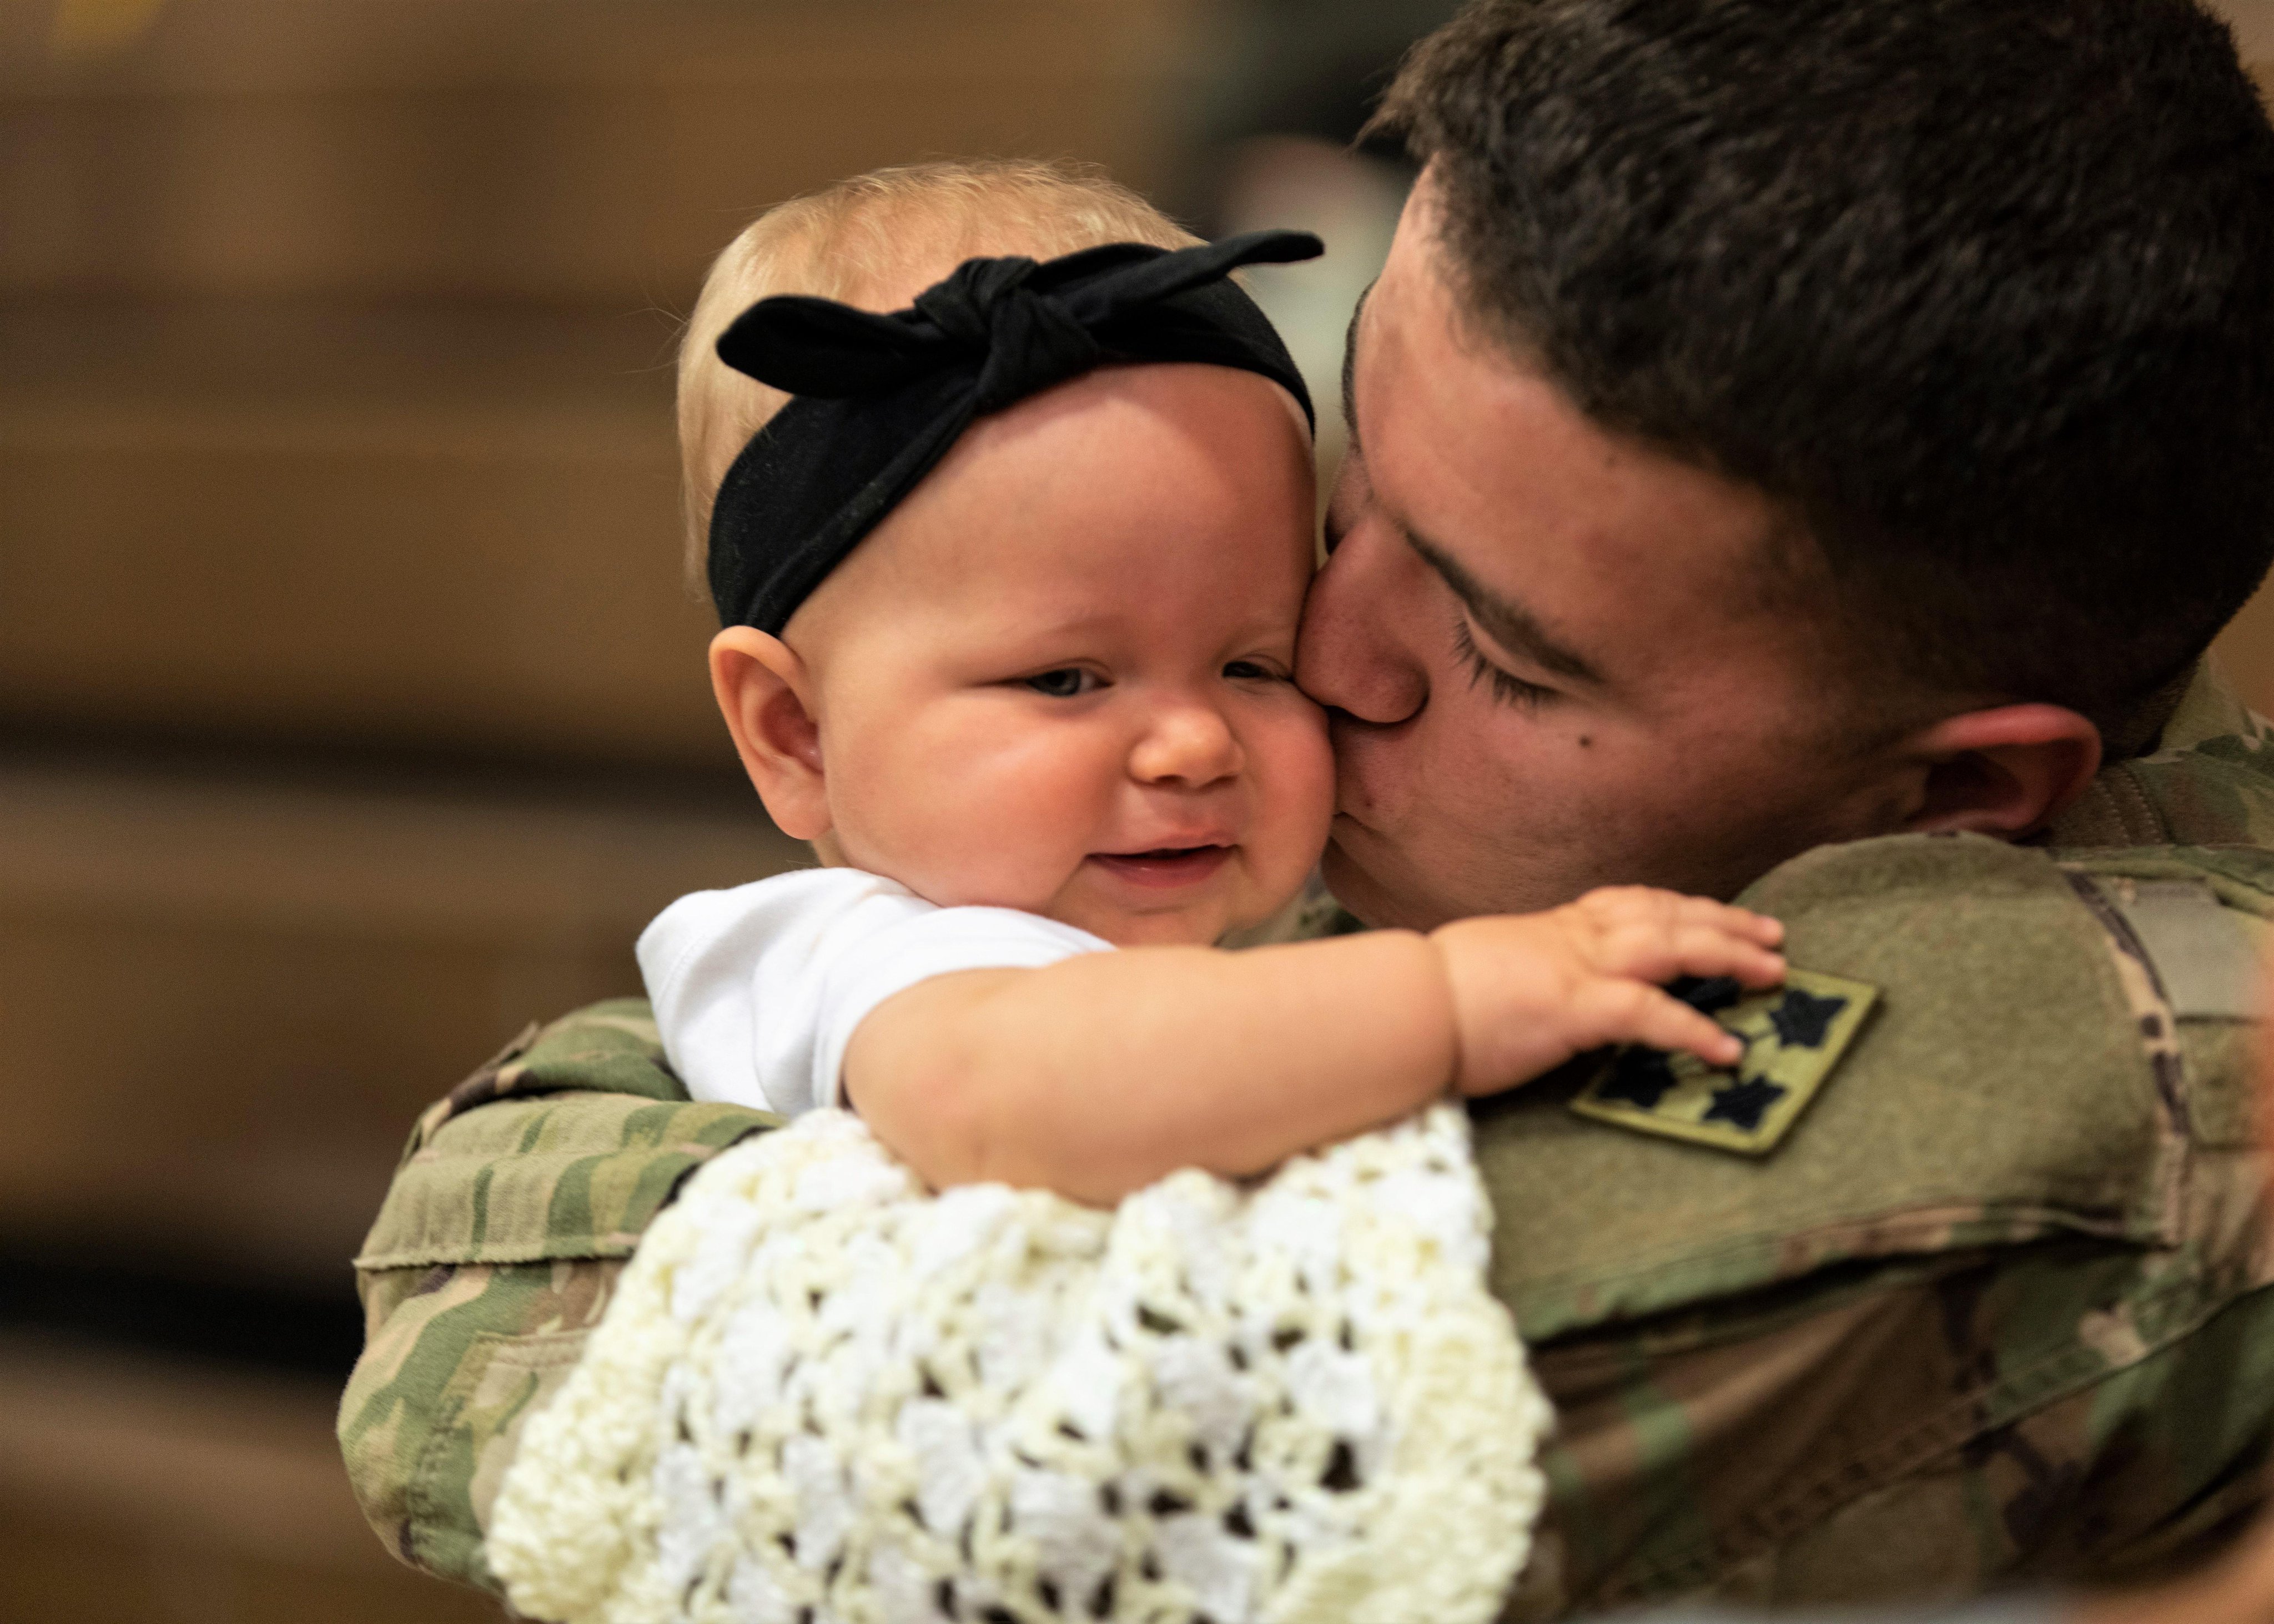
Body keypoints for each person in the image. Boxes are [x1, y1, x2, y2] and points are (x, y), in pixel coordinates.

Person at [339, 1, 2274, 1615]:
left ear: (1956, 786)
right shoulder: (1587, 837)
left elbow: (507, 1329)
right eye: (1353, 490)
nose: (1310, 664)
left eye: (1512, 655)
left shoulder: (2088, 1056)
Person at [641, 162, 1783, 1203]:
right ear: (796, 733)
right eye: (1065, 678)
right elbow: (1015, 1093)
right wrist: (1453, 1001)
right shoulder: (866, 949)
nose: (1194, 742)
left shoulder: (1141, 937)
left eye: (1254, 662)